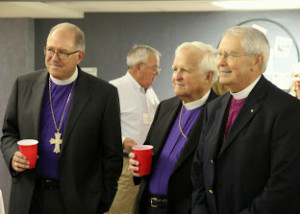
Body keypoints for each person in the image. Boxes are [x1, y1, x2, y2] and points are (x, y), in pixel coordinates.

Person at [1, 22, 123, 214]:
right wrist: (13, 155)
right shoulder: (24, 85)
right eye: (50, 50)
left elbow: (112, 155)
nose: (54, 58)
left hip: (78, 202)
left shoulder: (103, 94)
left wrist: (101, 202)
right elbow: (8, 133)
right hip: (29, 198)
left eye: (62, 52)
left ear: (79, 56)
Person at [191, 26, 300, 214]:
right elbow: (200, 170)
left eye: (231, 55)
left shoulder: (286, 110)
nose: (221, 62)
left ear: (256, 61)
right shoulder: (214, 107)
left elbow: (283, 186)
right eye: (220, 54)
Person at [129, 41, 218, 214]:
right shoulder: (165, 107)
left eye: (185, 70)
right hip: (148, 207)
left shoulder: (221, 114)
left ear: (208, 76)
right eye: (175, 69)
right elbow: (149, 151)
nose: (176, 76)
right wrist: (136, 167)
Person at [107, 45, 160, 214]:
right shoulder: (113, 90)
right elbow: (99, 128)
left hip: (149, 164)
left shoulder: (150, 92)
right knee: (121, 210)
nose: (157, 72)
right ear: (138, 66)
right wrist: (122, 140)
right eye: (154, 68)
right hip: (125, 165)